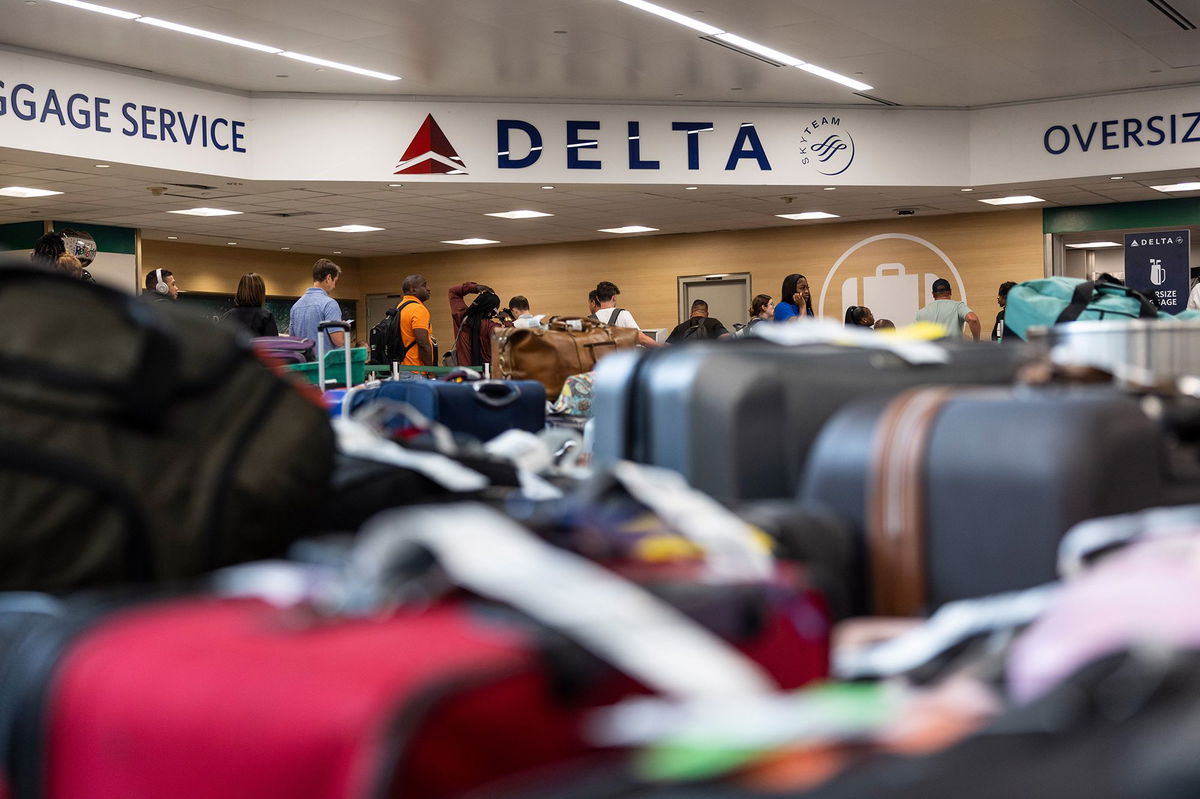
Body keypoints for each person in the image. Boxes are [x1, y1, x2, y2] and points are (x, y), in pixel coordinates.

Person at [289, 259, 344, 353]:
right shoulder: (330, 304)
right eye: (335, 281)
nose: (334, 285)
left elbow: (293, 341)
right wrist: (343, 329)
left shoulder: (295, 307)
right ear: (328, 278)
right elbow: (338, 341)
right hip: (326, 365)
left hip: (305, 365)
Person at [593, 280, 661, 347]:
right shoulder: (622, 314)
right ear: (614, 298)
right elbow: (642, 339)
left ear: (597, 299)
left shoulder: (589, 321)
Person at [449, 281, 503, 366]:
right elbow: (509, 340)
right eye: (496, 309)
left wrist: (475, 288)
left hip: (464, 373)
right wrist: (507, 320)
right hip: (486, 375)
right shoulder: (491, 327)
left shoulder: (461, 316)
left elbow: (453, 291)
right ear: (491, 310)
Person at [915, 277, 980, 340]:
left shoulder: (921, 313)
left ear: (933, 294)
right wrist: (976, 342)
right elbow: (973, 319)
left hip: (931, 350)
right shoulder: (958, 307)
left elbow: (914, 338)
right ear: (950, 292)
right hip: (953, 350)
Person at [222, 273, 279, 338]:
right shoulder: (266, 317)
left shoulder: (227, 316)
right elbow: (273, 345)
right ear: (261, 293)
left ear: (240, 290)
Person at [397, 274, 434, 367]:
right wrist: (430, 371)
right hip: (416, 369)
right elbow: (423, 343)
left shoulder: (400, 307)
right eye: (424, 285)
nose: (428, 289)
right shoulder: (418, 309)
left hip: (401, 367)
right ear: (413, 289)